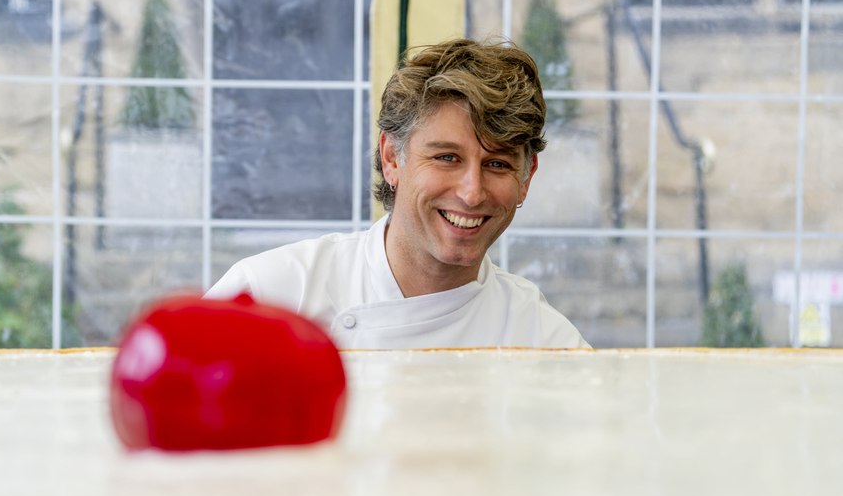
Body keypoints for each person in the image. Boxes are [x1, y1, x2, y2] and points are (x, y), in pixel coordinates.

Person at [206, 37, 589, 350]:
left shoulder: (544, 339)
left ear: (527, 177)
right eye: (446, 157)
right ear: (392, 158)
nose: (472, 193)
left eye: (497, 165)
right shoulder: (272, 293)